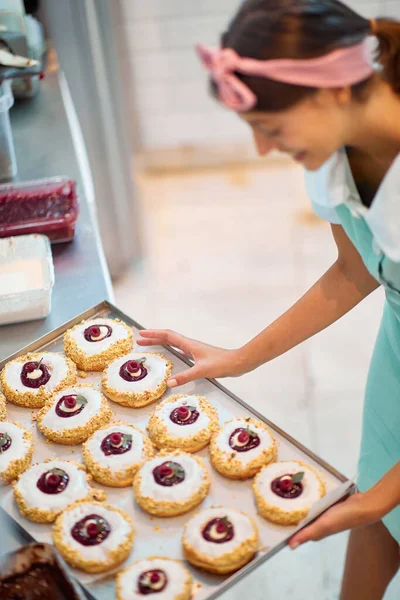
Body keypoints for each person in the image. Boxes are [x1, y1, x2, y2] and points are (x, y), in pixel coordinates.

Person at [137, 1, 400, 597]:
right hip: (398, 357)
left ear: (331, 93)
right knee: (377, 516)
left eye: (271, 128)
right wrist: (240, 357)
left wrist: (382, 493)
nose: (261, 150)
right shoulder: (335, 152)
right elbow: (354, 272)